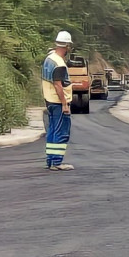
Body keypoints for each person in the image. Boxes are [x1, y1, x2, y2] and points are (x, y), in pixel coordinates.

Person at [42, 31, 74, 171]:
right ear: (67, 45)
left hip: (49, 101)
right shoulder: (59, 63)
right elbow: (58, 85)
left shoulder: (49, 58)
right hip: (57, 101)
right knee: (61, 132)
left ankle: (50, 160)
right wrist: (64, 104)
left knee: (52, 130)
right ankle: (57, 162)